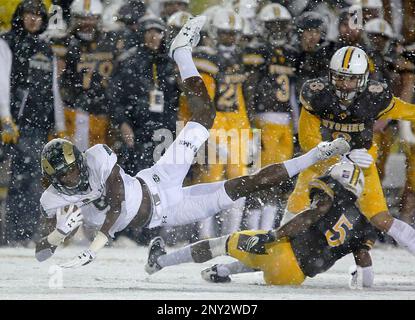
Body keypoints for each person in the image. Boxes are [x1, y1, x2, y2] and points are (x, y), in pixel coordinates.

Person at [34, 16, 350, 268]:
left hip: (159, 179)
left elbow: (117, 202)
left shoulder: (96, 156)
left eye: (74, 169)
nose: (74, 177)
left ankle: (181, 53)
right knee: (245, 185)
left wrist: (96, 244)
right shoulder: (52, 199)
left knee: (205, 117)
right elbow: (41, 253)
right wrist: (57, 235)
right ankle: (318, 154)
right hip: (170, 211)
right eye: (66, 176)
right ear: (55, 178)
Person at [144, 161, 378, 288]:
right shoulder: (363, 225)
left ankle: (159, 262)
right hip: (294, 277)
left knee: (222, 244)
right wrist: (359, 279)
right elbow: (365, 268)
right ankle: (224, 271)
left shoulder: (331, 192)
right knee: (267, 254)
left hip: (282, 254)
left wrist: (274, 234)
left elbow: (311, 215)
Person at [284, 45, 415, 253]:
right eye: (340, 77)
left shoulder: (374, 96)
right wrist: (341, 156)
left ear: (363, 78)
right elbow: (308, 141)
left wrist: (350, 159)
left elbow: (408, 112)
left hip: (360, 165)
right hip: (320, 163)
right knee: (292, 217)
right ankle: (267, 257)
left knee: (381, 219)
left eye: (351, 79)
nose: (345, 85)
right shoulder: (317, 95)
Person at [0, 0, 66, 244]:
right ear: (20, 15)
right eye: (29, 13)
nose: (34, 18)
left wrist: (59, 127)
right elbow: (1, 82)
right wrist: (5, 116)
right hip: (8, 122)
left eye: (39, 15)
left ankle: (22, 235)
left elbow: (54, 90)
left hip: (32, 128)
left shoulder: (46, 49)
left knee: (28, 183)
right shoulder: (6, 42)